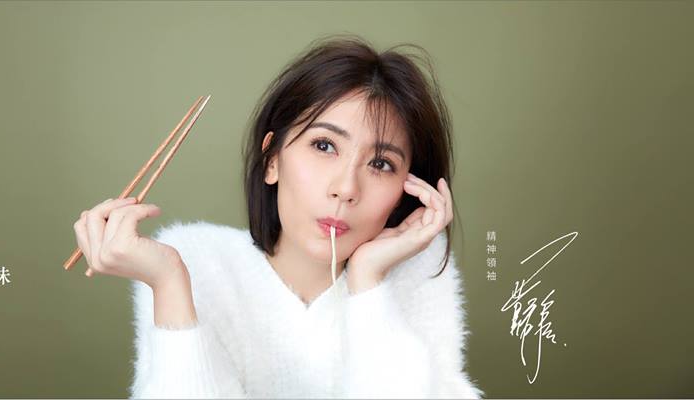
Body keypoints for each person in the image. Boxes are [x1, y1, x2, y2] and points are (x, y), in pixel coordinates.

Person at [71, 35, 483, 399]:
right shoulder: (193, 265)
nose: (346, 188)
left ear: (404, 190)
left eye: (380, 164)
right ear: (272, 159)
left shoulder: (416, 273)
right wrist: (168, 284)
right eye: (324, 146)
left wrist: (368, 283)